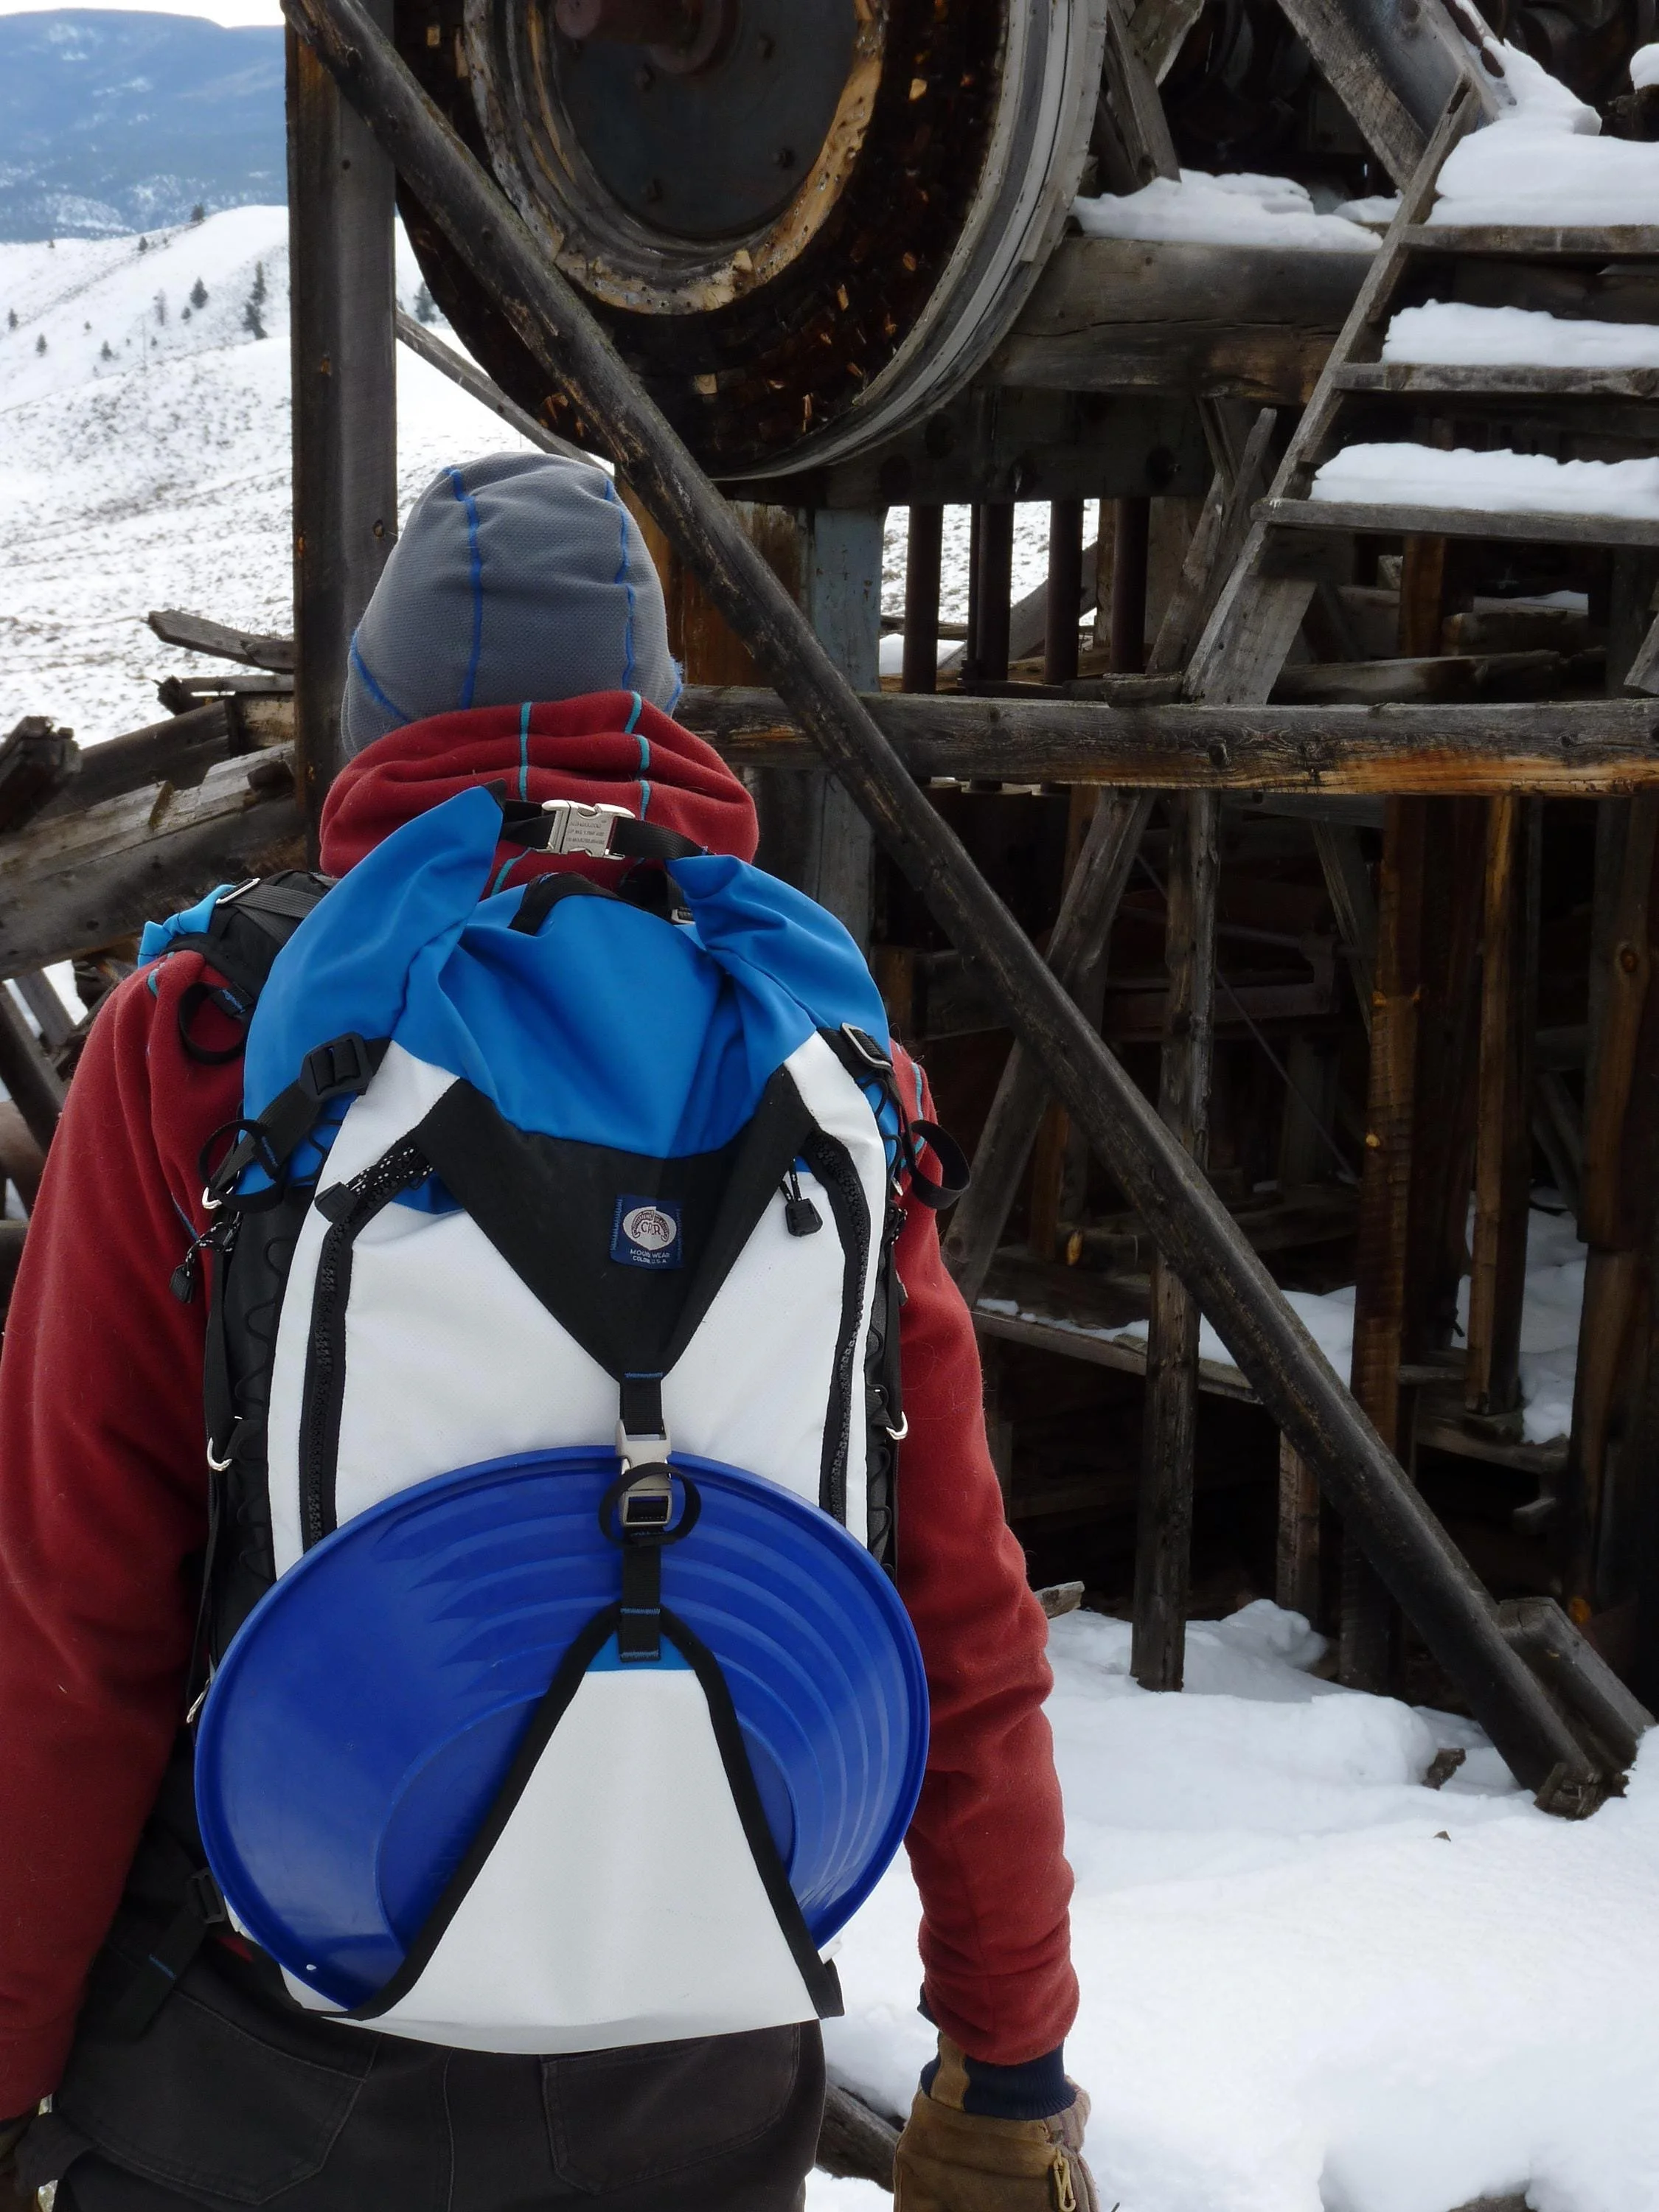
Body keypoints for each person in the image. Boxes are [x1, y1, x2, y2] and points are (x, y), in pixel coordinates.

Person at [0, 454, 1093, 2212]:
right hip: (697, 2056)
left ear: (373, 721)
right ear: (654, 718)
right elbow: (951, 1599)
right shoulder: (829, 1069)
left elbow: (71, 1625)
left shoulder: (209, 1035)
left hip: (265, 2055)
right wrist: (1010, 2058)